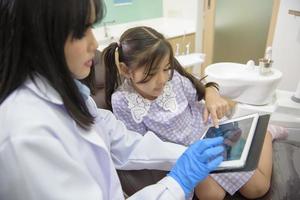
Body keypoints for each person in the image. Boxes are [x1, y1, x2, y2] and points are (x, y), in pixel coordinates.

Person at [0, 0, 225, 199]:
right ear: (40, 36)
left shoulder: (76, 99)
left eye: (92, 27)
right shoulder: (26, 136)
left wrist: (188, 154)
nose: (93, 42)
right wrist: (177, 182)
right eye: (82, 30)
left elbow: (127, 144)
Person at [103, 26, 288, 199]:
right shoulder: (122, 100)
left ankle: (267, 133)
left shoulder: (174, 79)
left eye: (166, 68)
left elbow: (203, 89)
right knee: (211, 195)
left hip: (210, 132)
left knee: (257, 188)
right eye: (151, 73)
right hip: (181, 154)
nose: (162, 79)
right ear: (126, 70)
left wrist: (211, 93)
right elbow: (141, 147)